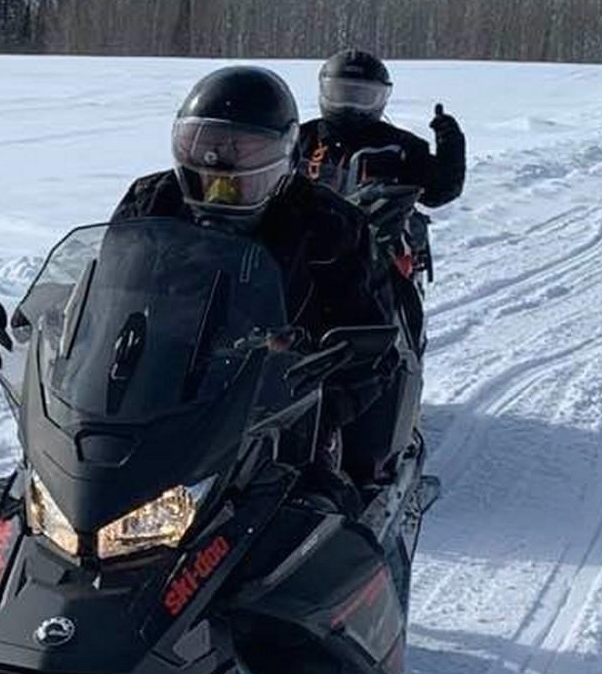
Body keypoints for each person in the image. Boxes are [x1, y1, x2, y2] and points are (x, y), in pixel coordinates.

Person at [113, 65, 395, 491]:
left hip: (278, 405)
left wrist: (320, 401)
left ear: (283, 156)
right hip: (159, 388)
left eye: (242, 150)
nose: (220, 172)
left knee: (330, 503)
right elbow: (106, 291)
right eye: (204, 145)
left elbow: (368, 338)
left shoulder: (329, 223)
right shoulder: (151, 202)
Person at [298, 49, 466, 211]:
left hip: (377, 235)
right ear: (325, 91)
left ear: (381, 98)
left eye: (362, 97)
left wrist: (451, 147)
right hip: (306, 234)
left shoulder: (400, 147)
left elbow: (438, 192)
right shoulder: (302, 138)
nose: (350, 105)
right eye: (341, 95)